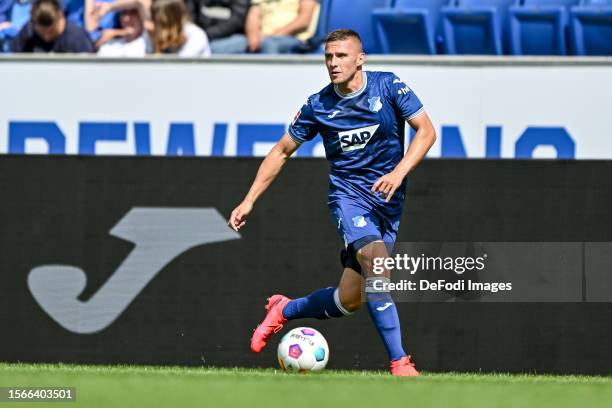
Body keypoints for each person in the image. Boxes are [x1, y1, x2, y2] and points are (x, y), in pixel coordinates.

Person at [228, 29, 436, 376]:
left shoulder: (388, 86)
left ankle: (284, 310)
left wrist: (397, 174)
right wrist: (249, 199)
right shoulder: (318, 105)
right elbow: (281, 150)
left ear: (360, 58)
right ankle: (400, 362)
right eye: (328, 57)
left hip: (389, 201)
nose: (333, 63)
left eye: (341, 56)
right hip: (349, 198)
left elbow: (426, 131)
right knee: (377, 264)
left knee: (350, 300)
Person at [12, 0, 93, 52]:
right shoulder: (28, 34)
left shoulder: (77, 39)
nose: (47, 37)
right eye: (42, 33)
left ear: (61, 18)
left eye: (51, 31)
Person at [184, 0, 249, 54]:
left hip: (229, 37)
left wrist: (206, 34)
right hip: (200, 37)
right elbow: (190, 15)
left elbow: (236, 21)